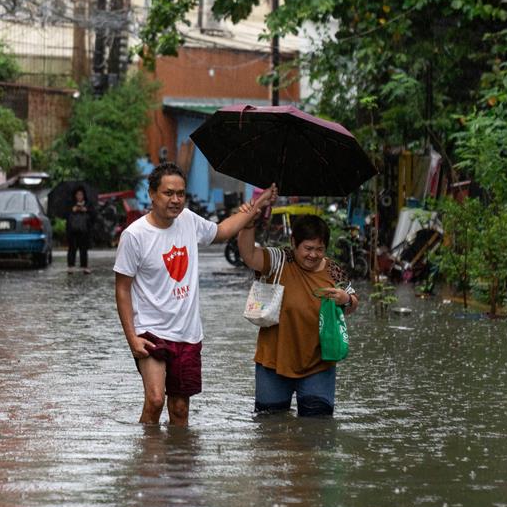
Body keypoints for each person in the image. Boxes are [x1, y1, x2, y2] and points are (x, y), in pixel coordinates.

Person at [114, 162, 277, 426]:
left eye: (181, 194)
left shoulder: (188, 220)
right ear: (152, 194)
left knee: (179, 409)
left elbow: (222, 231)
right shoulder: (134, 236)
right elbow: (122, 289)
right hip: (150, 331)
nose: (176, 200)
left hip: (187, 333)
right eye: (168, 193)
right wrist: (132, 338)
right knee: (155, 400)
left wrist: (258, 204)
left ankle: (178, 464)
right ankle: (147, 463)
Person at [236, 212, 358, 417]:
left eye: (319, 249)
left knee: (317, 428)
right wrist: (249, 223)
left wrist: (345, 299)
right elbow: (248, 255)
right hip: (274, 361)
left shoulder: (333, 271)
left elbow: (353, 303)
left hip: (319, 362)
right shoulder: (278, 260)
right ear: (294, 242)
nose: (313, 255)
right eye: (308, 248)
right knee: (270, 428)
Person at [66, 186, 93, 274]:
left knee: (83, 249)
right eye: (78, 194)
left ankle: (84, 266)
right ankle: (70, 266)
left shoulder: (88, 204)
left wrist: (86, 210)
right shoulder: (70, 204)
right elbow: (65, 214)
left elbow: (94, 215)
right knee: (72, 248)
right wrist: (72, 210)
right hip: (72, 230)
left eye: (81, 194)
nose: (79, 196)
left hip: (84, 230)